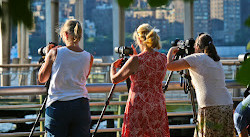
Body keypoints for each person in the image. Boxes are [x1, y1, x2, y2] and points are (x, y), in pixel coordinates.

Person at [166, 33, 234, 137]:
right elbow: (198, 82)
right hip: (226, 104)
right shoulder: (216, 59)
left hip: (209, 107)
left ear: (197, 46)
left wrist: (172, 50)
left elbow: (170, 66)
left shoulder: (196, 58)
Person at [110, 23, 170, 137]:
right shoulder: (163, 58)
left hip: (139, 105)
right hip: (157, 103)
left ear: (139, 39)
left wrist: (112, 67)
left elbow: (115, 79)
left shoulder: (135, 60)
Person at [38, 19, 94, 137]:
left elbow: (42, 78)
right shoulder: (89, 57)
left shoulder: (55, 53)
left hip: (58, 105)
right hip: (81, 105)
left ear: (66, 34)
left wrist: (47, 57)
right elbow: (83, 78)